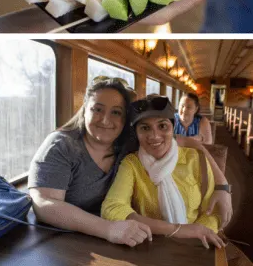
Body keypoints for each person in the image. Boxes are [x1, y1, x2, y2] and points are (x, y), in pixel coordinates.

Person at [28, 79, 232, 248]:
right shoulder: (63, 146)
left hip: (119, 234)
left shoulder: (125, 141)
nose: (106, 120)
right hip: (62, 236)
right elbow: (45, 204)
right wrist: (108, 229)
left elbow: (187, 143)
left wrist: (223, 186)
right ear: (84, 111)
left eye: (116, 112)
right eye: (97, 109)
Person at [101, 96, 224, 249]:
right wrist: (177, 231)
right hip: (150, 244)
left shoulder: (196, 159)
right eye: (145, 128)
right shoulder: (131, 164)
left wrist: (196, 235)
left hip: (197, 244)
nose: (154, 136)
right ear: (137, 133)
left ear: (173, 129)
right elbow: (112, 207)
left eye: (162, 126)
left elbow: (213, 212)